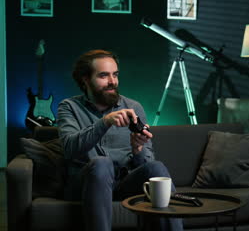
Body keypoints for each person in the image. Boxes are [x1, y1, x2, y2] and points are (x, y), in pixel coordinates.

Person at [57, 49, 183, 231]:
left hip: (124, 184)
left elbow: (145, 163)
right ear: (85, 79)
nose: (112, 82)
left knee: (157, 168)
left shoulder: (133, 107)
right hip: (86, 185)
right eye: (103, 76)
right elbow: (70, 149)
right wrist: (105, 122)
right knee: (101, 163)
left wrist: (137, 149)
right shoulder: (69, 107)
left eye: (115, 75)